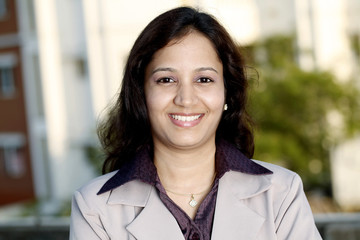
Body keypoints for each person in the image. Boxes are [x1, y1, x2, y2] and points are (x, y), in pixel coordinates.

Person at [70, 6, 321, 240]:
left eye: (204, 79)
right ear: (141, 94)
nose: (186, 99)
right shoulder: (95, 208)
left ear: (227, 93)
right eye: (166, 80)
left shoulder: (281, 193)